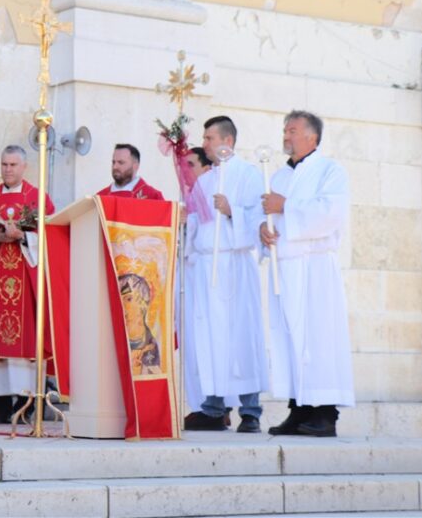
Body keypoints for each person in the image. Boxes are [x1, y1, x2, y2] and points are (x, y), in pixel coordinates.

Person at [261, 110, 354, 437]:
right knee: (290, 338)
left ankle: (325, 415)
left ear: (312, 136)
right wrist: (264, 229)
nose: (286, 136)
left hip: (314, 268)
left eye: (293, 130)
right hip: (285, 268)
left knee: (318, 337)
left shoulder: (331, 171)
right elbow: (270, 220)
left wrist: (285, 206)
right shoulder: (278, 176)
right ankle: (298, 410)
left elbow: (331, 213)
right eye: (285, 130)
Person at [181, 116, 268, 433]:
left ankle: (250, 410)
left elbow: (260, 220)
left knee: (240, 335)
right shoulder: (204, 181)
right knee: (210, 338)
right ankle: (214, 407)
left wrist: (233, 211)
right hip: (206, 268)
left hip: (233, 265)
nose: (204, 143)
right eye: (204, 138)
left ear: (227, 141)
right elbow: (198, 224)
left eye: (209, 137)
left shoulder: (249, 175)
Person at [0, 145, 56, 423]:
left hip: (27, 287)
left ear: (24, 167)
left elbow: (53, 236)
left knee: (29, 343)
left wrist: (23, 237)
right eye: (4, 164)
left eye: (13, 165)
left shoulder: (38, 199)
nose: (8, 170)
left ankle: (30, 404)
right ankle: (2, 406)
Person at [98, 143, 165, 199]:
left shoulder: (153, 197)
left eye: (121, 162)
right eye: (113, 162)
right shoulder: (100, 198)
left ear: (135, 166)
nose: (115, 167)